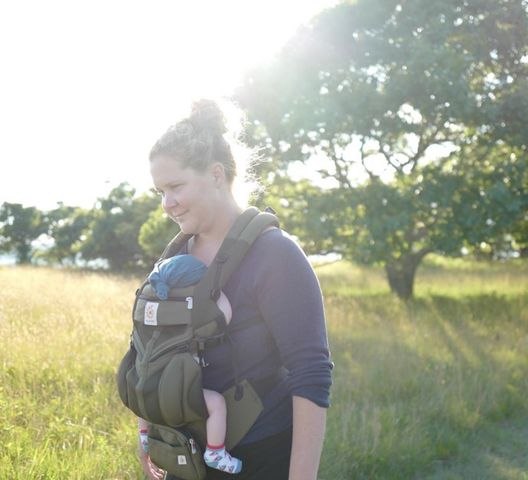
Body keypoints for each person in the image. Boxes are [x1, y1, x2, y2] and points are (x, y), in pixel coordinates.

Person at [137, 98, 333, 480]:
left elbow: (311, 372)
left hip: (258, 459)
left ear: (215, 174)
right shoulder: (175, 258)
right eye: (159, 191)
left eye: (176, 186)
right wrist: (151, 438)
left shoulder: (274, 254)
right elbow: (156, 353)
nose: (167, 203)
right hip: (184, 458)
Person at [145, 253, 243, 474]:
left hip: (150, 389)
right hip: (177, 392)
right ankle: (215, 452)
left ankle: (144, 437)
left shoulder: (155, 310)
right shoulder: (189, 313)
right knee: (216, 403)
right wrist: (215, 292)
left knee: (144, 398)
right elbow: (225, 316)